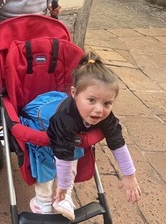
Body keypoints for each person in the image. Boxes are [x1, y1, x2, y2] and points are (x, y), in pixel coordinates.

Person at [29, 52, 141, 220]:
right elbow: (63, 153)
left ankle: (64, 197)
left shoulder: (105, 115)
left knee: (75, 147)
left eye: (107, 103)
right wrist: (64, 185)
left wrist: (129, 175)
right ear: (74, 94)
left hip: (67, 126)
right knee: (45, 153)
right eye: (92, 100)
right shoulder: (65, 119)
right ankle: (42, 201)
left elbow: (117, 142)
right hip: (41, 116)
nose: (99, 109)